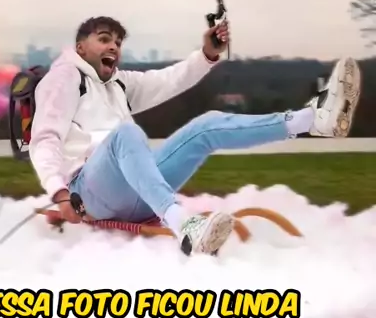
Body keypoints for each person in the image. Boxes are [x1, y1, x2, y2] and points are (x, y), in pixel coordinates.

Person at [29, 16, 361, 256]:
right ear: (80, 47)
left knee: (207, 126)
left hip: (135, 191)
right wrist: (59, 193)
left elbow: (169, 80)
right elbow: (44, 140)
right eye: (104, 39)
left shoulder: (119, 84)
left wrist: (207, 55)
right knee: (126, 134)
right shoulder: (65, 79)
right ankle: (185, 228)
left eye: (117, 42)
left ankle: (311, 120)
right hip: (87, 193)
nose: (113, 47)